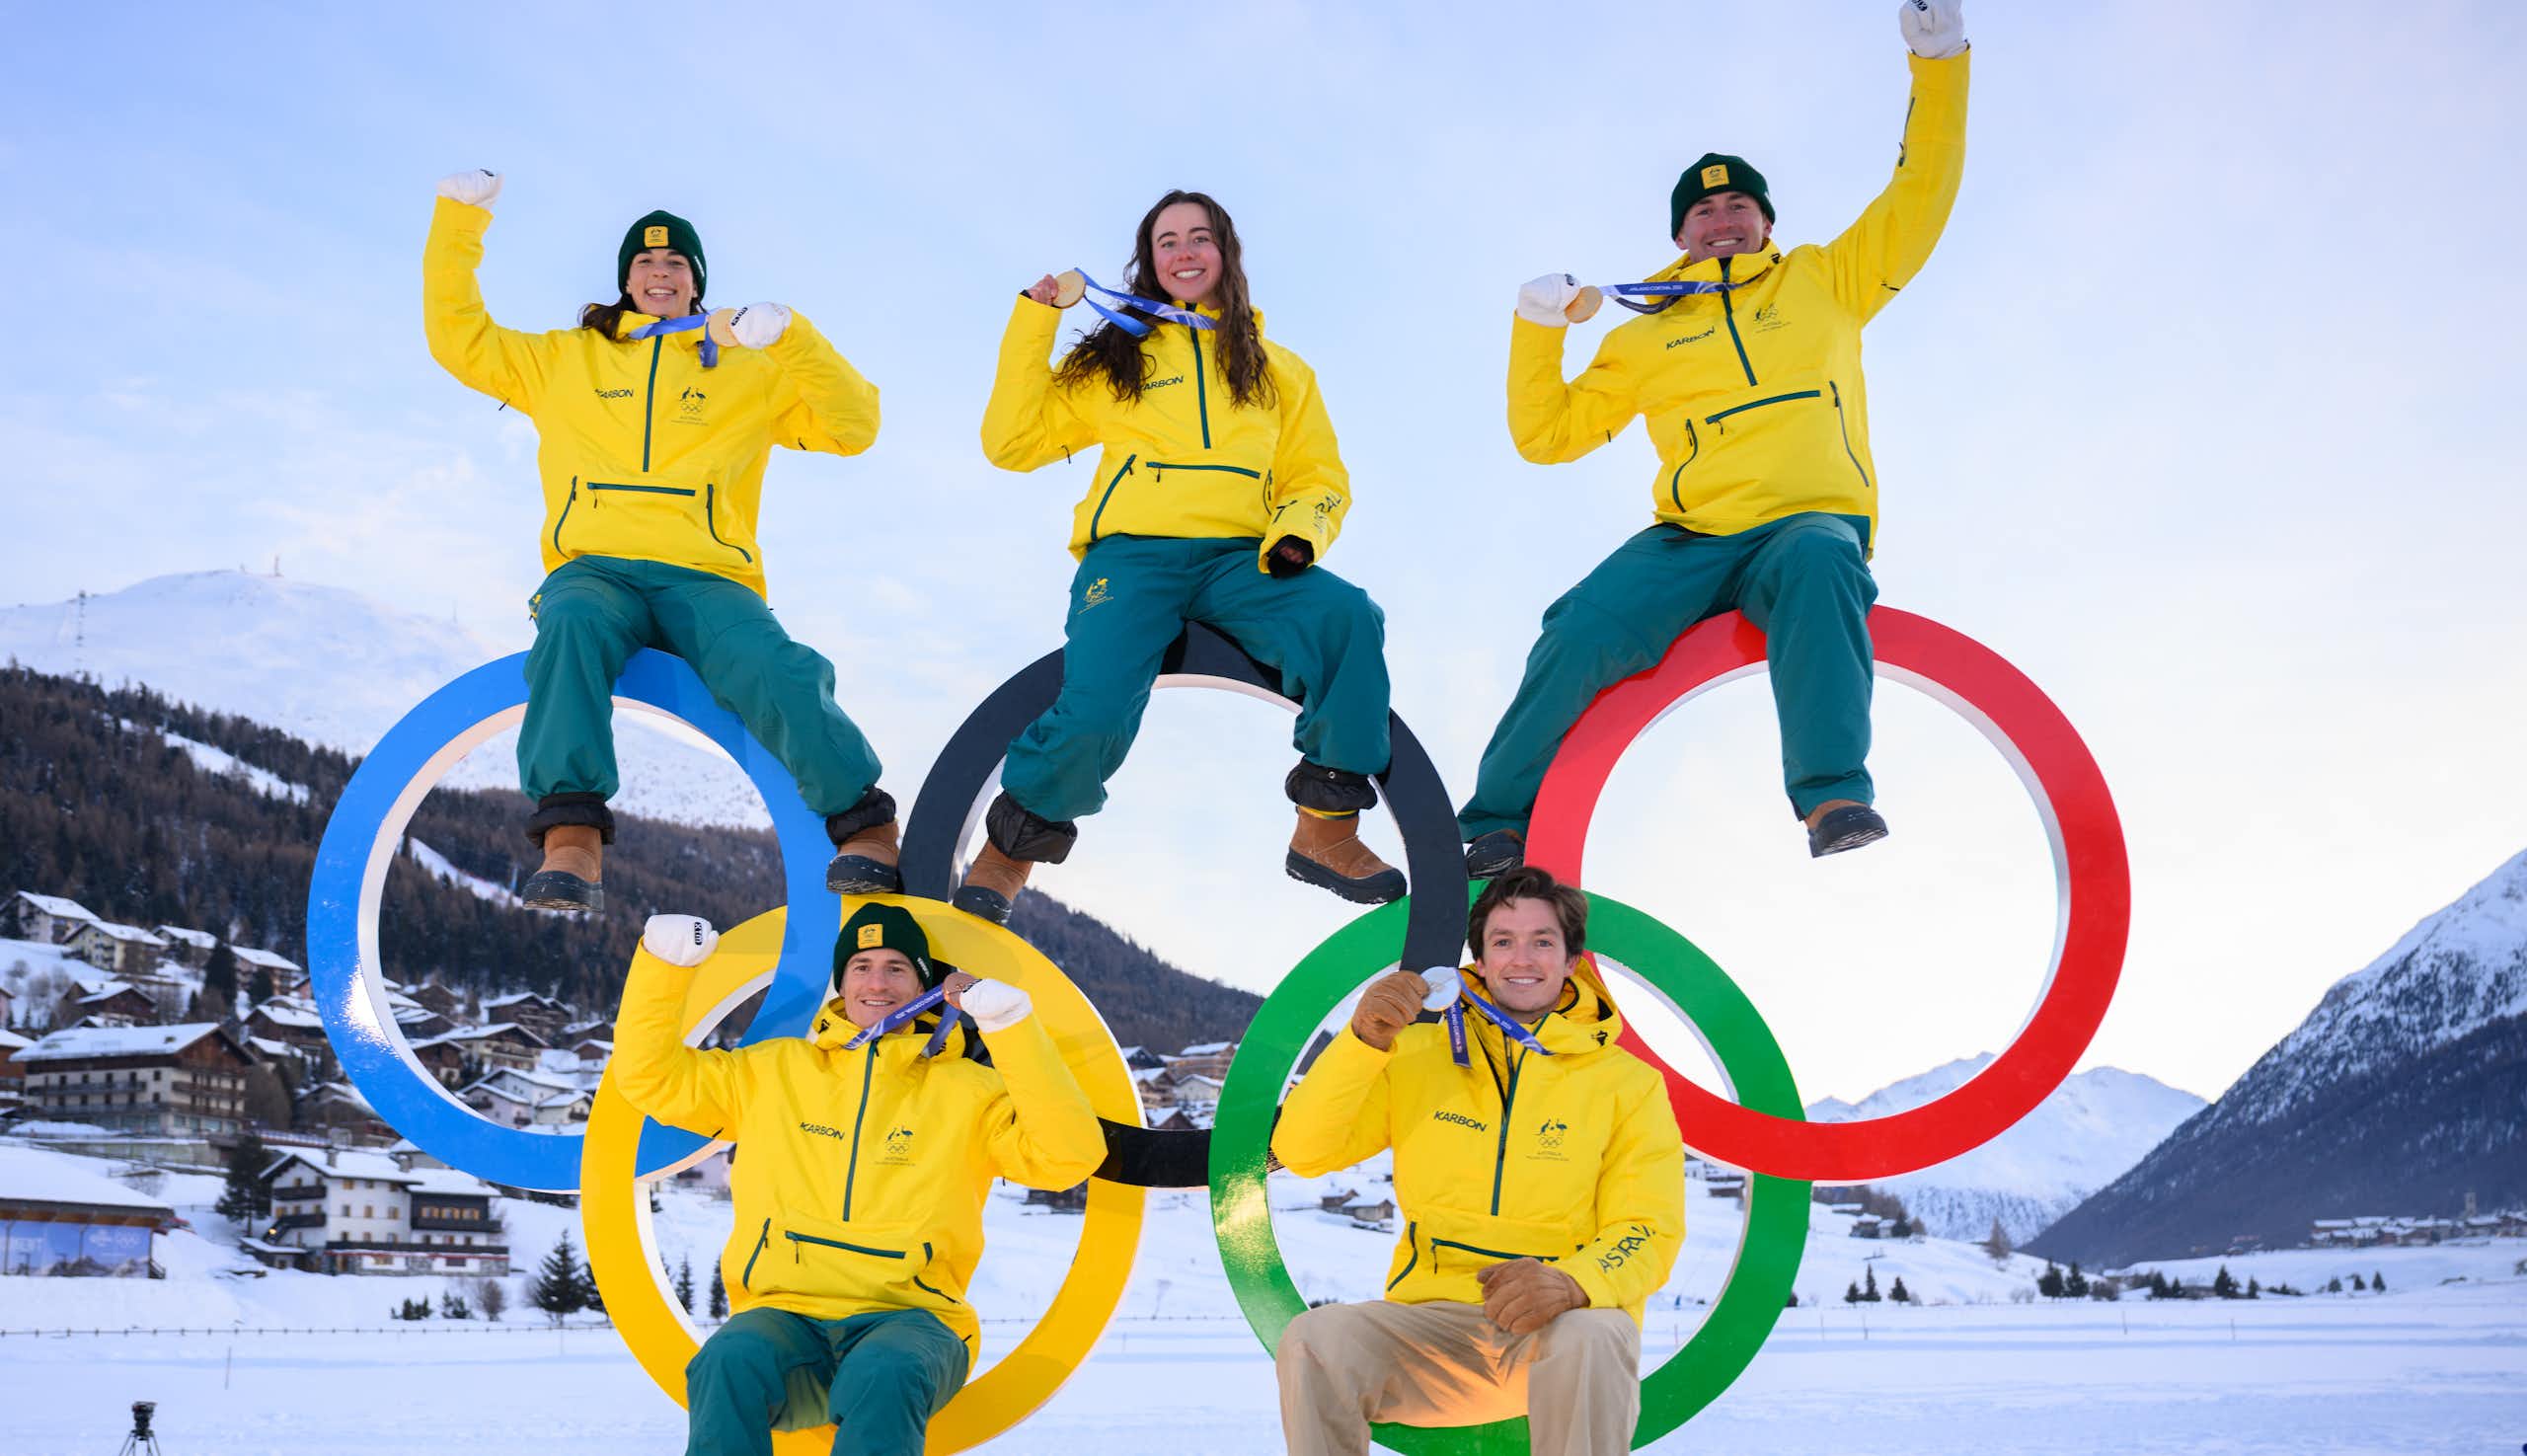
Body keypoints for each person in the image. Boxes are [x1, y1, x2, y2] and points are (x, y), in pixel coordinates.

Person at [1457, 0, 1970, 875]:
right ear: (1680, 235)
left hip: (1807, 522)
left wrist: (1940, 60)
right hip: (1692, 539)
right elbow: (1547, 436)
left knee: (1820, 562)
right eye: (1704, 212)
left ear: (1766, 220)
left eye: (1739, 205)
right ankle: (1499, 821)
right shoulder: (1644, 334)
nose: (1723, 218)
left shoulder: (1827, 281)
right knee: (1581, 624)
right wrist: (1538, 328)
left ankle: (1834, 793)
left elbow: (1921, 190)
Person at [423, 169, 902, 912]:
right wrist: (460, 222)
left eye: (676, 263)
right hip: (597, 570)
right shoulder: (563, 360)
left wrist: (790, 338)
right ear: (624, 279)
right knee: (569, 624)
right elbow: (460, 339)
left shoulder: (748, 368)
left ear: (696, 282)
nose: (659, 272)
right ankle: (571, 836)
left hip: (706, 576)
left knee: (773, 665)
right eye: (645, 263)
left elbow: (854, 425)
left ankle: (864, 826)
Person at [961, 190, 1403, 924]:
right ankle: (1013, 845)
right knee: (1098, 704)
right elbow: (1009, 443)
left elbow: (1320, 478)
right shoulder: (1114, 358)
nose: (1185, 252)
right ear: (1150, 262)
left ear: (1226, 253)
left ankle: (1325, 827)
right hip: (1134, 558)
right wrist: (1035, 319)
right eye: (1167, 241)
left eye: (1200, 237)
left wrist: (1299, 533)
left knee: (1348, 619)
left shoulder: (1279, 371)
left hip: (1244, 560)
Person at [616, 902, 1105, 1456]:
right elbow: (651, 1078)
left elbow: (1067, 1156)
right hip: (784, 1314)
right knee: (726, 1363)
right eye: (862, 966)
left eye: (897, 967)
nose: (878, 981)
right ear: (840, 984)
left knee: (884, 1370)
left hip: (915, 1320)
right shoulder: (769, 1071)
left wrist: (1009, 1028)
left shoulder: (970, 1090)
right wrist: (663, 967)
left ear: (925, 983)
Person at [1271, 867, 1684, 1455]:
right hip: (1431, 1336)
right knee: (1316, 1339)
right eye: (1503, 941)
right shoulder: (1416, 1051)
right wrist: (1360, 1042)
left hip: (1557, 1337)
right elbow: (1301, 1151)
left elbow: (1648, 1228)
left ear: (1572, 961)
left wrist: (1573, 1283)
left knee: (1597, 1332)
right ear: (1481, 960)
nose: (1523, 958)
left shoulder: (1628, 1084)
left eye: (1543, 941)